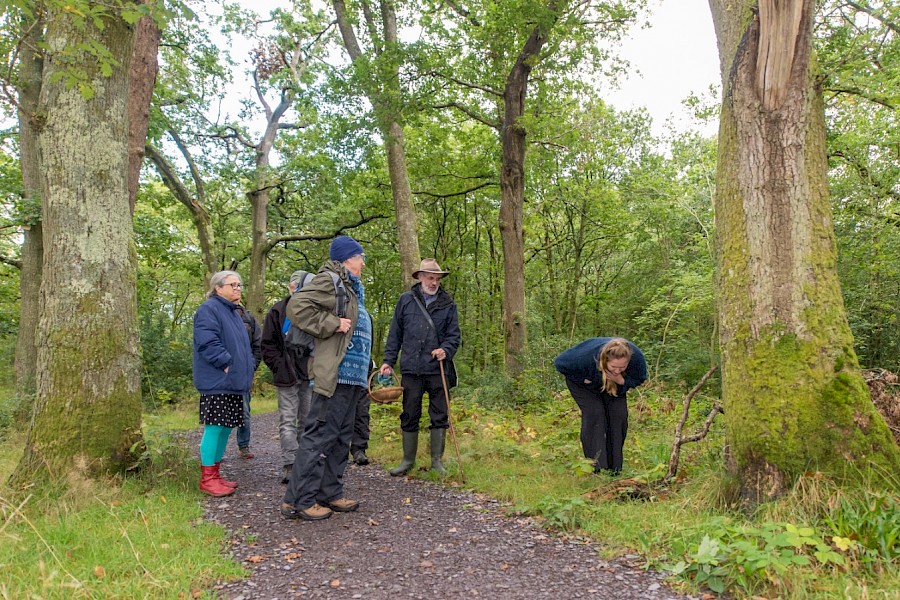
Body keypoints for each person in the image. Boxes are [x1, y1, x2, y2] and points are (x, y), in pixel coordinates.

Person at [281, 236, 372, 521]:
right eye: (359, 256)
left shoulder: (351, 288)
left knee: (340, 437)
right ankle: (299, 500)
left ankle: (329, 493)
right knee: (319, 436)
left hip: (352, 378)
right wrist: (332, 323)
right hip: (334, 374)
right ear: (347, 259)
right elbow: (296, 308)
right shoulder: (329, 280)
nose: (363, 262)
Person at [379, 258, 461, 477]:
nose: (434, 282)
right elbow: (395, 334)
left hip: (437, 369)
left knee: (439, 414)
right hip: (411, 369)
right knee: (409, 413)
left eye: (437, 279)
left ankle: (437, 462)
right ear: (420, 278)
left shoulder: (448, 304)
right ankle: (407, 461)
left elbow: (454, 336)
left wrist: (445, 349)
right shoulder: (405, 300)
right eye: (430, 278)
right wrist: (388, 361)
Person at [192, 270, 256, 496]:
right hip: (217, 380)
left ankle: (216, 474)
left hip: (233, 381)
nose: (238, 288)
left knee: (226, 427)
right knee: (215, 427)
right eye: (233, 285)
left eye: (239, 284)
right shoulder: (209, 309)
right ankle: (207, 478)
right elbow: (207, 341)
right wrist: (225, 363)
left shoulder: (234, 313)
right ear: (218, 288)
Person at [553, 337, 647, 474]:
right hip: (585, 384)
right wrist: (583, 379)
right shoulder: (585, 358)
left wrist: (621, 380)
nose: (617, 370)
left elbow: (639, 378)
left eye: (622, 367)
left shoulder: (636, 358)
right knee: (595, 415)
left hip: (615, 385)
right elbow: (559, 363)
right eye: (614, 367)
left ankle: (614, 468)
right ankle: (596, 466)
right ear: (605, 360)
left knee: (618, 416)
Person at [261, 270, 315, 484]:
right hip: (286, 374)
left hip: (307, 373)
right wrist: (279, 366)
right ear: (291, 287)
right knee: (287, 420)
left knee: (308, 418)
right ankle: (290, 465)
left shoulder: (313, 310)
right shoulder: (277, 311)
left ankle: (304, 461)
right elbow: (267, 345)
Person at [234, 302, 262, 459]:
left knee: (244, 412)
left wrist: (251, 366)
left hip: (244, 373)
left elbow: (258, 345)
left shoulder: (249, 318)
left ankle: (243, 445)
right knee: (220, 416)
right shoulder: (216, 316)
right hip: (222, 375)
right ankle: (216, 452)